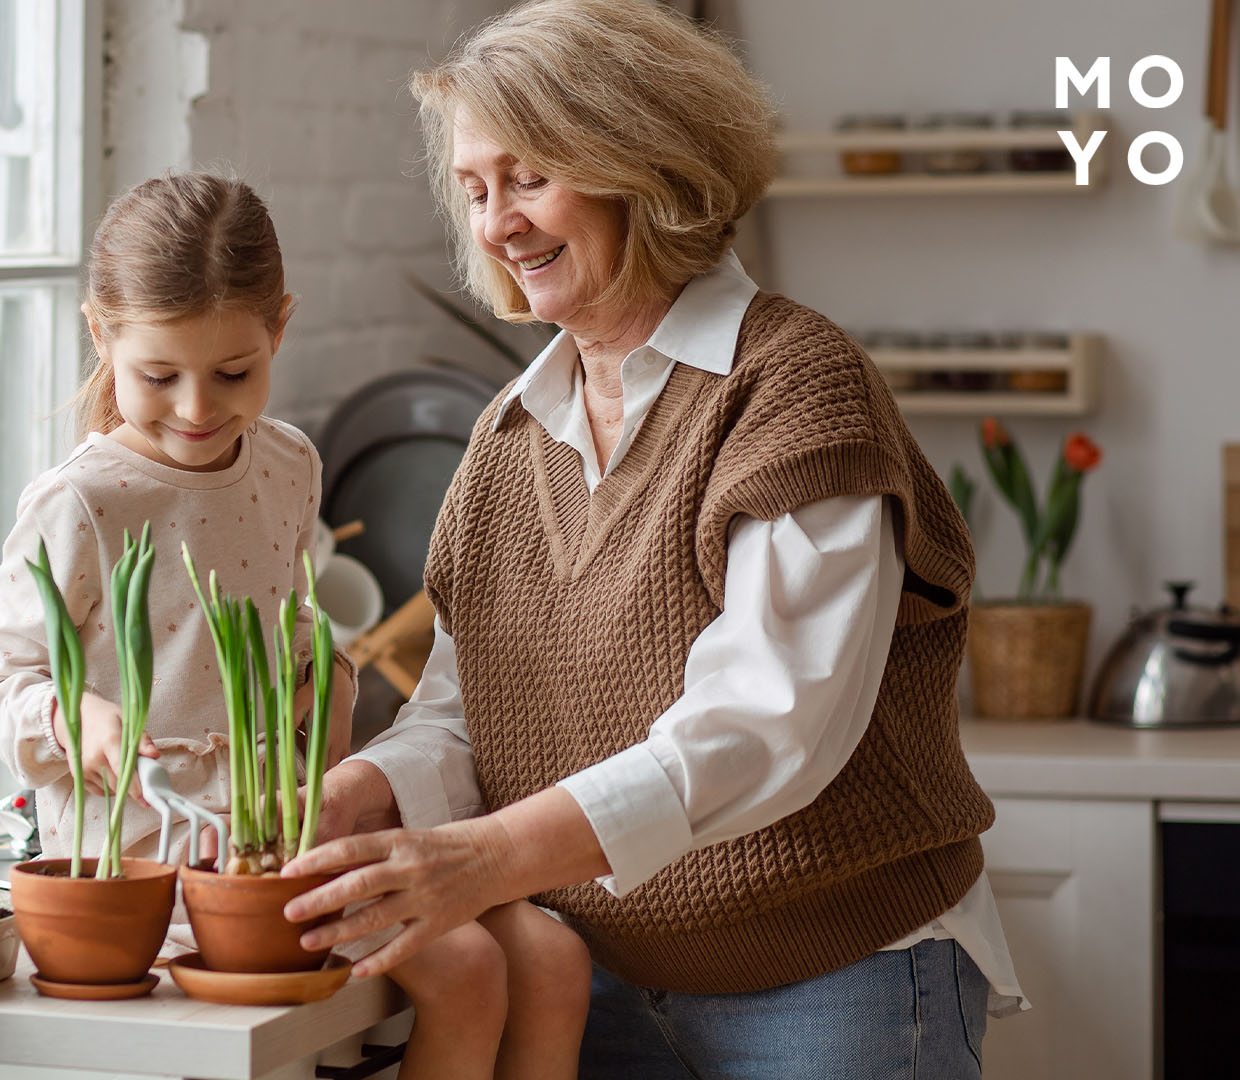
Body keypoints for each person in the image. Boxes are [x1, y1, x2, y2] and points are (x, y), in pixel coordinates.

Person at [281, 3, 1029, 1078]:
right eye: (476, 190)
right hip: (598, 977)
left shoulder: (793, 391)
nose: (499, 225)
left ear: (643, 162)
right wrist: (369, 792)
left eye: (531, 177)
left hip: (832, 982)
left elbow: (766, 729)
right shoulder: (508, 439)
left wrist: (481, 858)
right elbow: (465, 712)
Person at [0, 172, 583, 1080]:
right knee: (465, 968)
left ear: (279, 331)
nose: (196, 409)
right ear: (101, 334)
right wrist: (81, 720)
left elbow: (294, 635)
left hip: (280, 837)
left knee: (553, 957)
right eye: (158, 375)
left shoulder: (287, 462)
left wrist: (318, 692)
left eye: (233, 373)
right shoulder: (83, 502)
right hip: (147, 861)